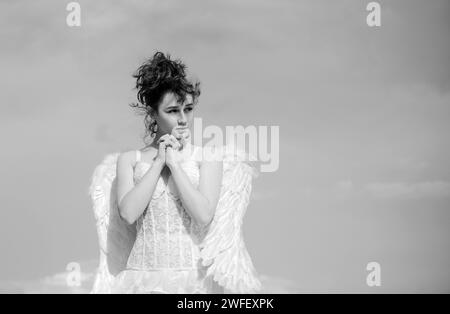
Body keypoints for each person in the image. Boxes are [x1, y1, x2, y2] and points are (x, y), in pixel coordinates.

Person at [88, 51, 261, 294]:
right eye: (172, 111)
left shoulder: (207, 157)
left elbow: (203, 214)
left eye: (188, 109)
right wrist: (159, 162)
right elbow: (128, 213)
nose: (183, 119)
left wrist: (175, 164)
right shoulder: (129, 160)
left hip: (193, 283)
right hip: (140, 280)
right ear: (152, 113)